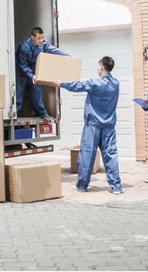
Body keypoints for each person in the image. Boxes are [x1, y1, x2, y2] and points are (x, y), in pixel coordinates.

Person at [54, 56, 123, 194]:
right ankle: (116, 187)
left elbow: (77, 86)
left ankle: (82, 185)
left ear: (102, 67)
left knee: (87, 154)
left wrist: (60, 83)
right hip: (108, 125)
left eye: (98, 66)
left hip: (93, 125)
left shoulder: (95, 83)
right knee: (111, 155)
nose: (97, 68)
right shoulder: (116, 83)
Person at [16, 26, 68, 118]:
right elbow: (23, 64)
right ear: (32, 37)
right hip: (22, 71)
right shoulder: (24, 47)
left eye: (42, 38)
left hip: (34, 70)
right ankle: (15, 113)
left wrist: (66, 55)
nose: (41, 40)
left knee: (37, 90)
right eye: (39, 38)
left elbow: (53, 50)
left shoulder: (43, 45)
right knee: (19, 92)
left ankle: (41, 113)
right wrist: (31, 75)